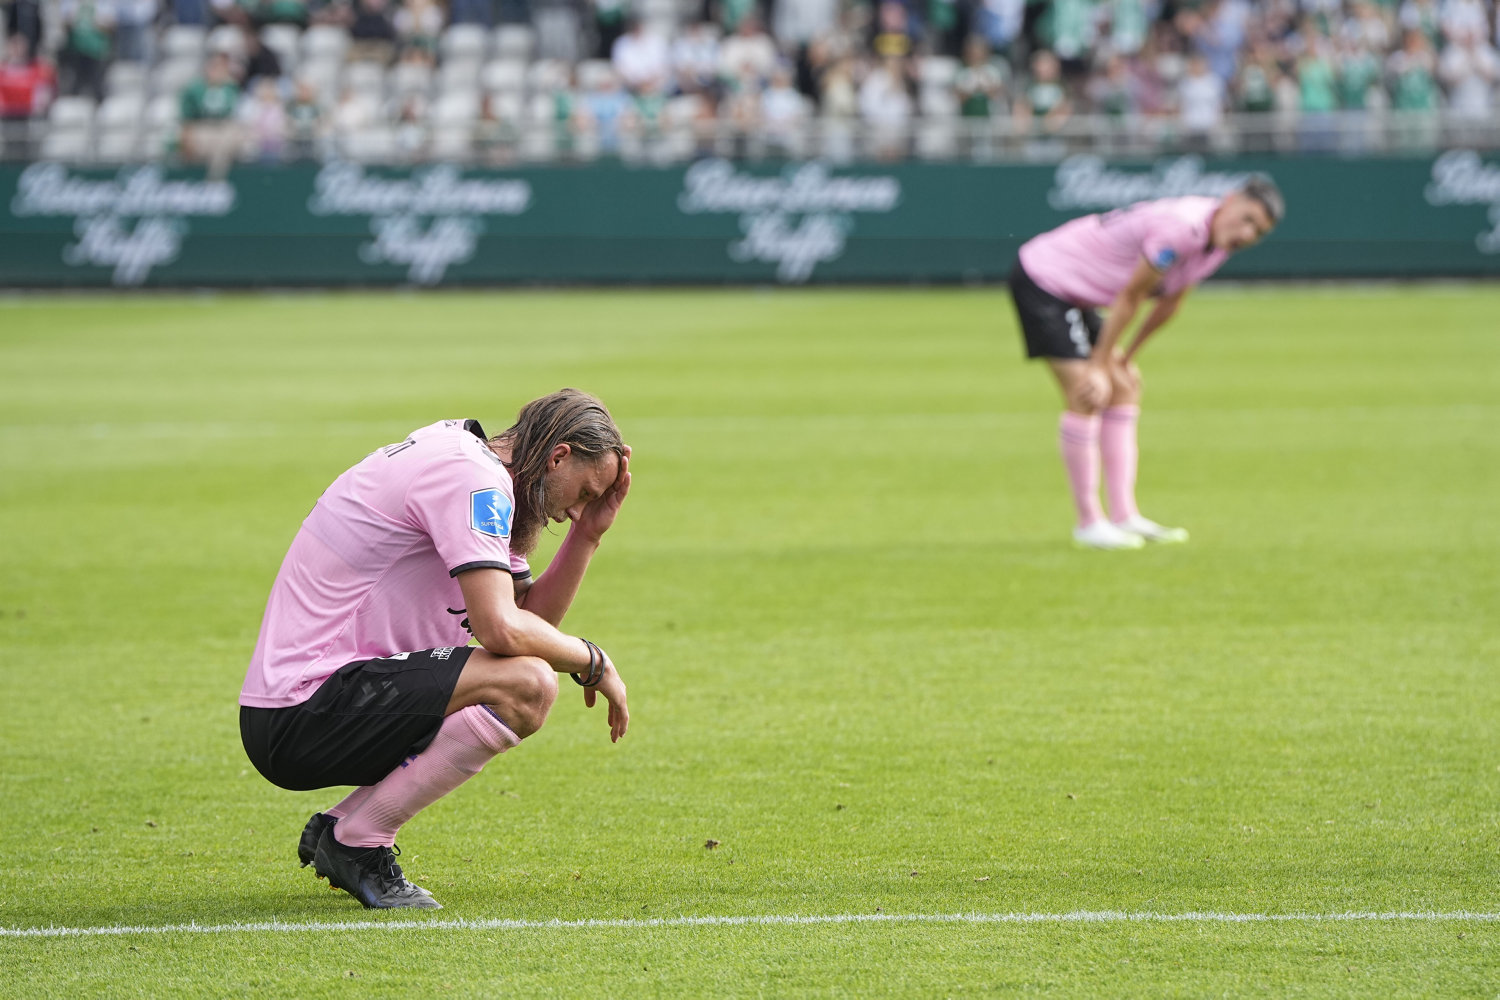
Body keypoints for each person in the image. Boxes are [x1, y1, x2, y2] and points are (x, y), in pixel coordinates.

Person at [239, 389, 633, 909]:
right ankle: (357, 842)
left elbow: (528, 625)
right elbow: (501, 632)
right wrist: (592, 660)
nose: (574, 510)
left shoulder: (470, 462)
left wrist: (588, 536)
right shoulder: (472, 478)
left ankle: (341, 826)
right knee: (530, 685)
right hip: (304, 707)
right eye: (583, 492)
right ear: (558, 455)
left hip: (314, 703)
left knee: (524, 676)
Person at [1007, 177, 1284, 549]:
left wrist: (1127, 358)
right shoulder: (1181, 229)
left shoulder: (1219, 243)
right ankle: (1089, 523)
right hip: (1048, 280)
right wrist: (1100, 365)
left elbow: (1170, 302)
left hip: (1082, 292)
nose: (1247, 233)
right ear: (1230, 201)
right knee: (1087, 393)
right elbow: (1131, 297)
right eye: (1246, 219)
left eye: (1258, 231)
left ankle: (1125, 515)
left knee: (1126, 386)